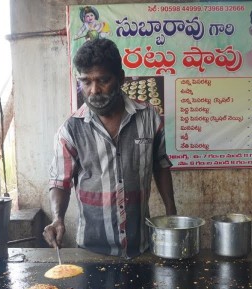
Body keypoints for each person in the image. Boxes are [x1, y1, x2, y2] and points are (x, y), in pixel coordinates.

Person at [43, 38, 177, 258]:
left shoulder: (149, 117)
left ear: (120, 78)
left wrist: (171, 213)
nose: (94, 90)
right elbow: (60, 181)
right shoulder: (70, 130)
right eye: (86, 81)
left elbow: (160, 165)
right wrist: (57, 218)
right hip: (92, 250)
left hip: (140, 246)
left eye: (103, 80)